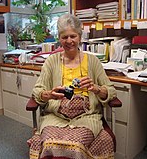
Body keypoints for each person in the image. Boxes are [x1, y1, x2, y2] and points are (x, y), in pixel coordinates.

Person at [28, 14, 117, 159]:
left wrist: (96, 88)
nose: (69, 41)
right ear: (59, 39)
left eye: (73, 36)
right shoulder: (51, 62)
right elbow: (37, 91)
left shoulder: (93, 61)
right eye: (64, 37)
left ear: (80, 37)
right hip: (55, 116)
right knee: (49, 142)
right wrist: (50, 94)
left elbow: (111, 91)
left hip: (86, 116)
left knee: (77, 143)